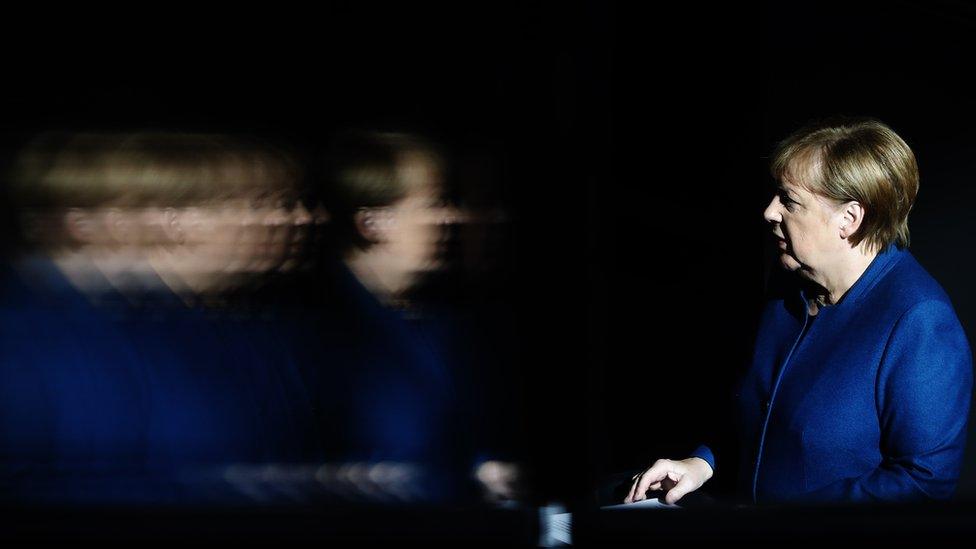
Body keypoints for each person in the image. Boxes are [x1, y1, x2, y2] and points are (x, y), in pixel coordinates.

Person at [625, 118, 973, 505]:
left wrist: (794, 521)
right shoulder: (788, 285)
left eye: (789, 201)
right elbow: (764, 415)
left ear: (849, 219)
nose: (770, 212)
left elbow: (923, 483)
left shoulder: (919, 321)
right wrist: (701, 463)